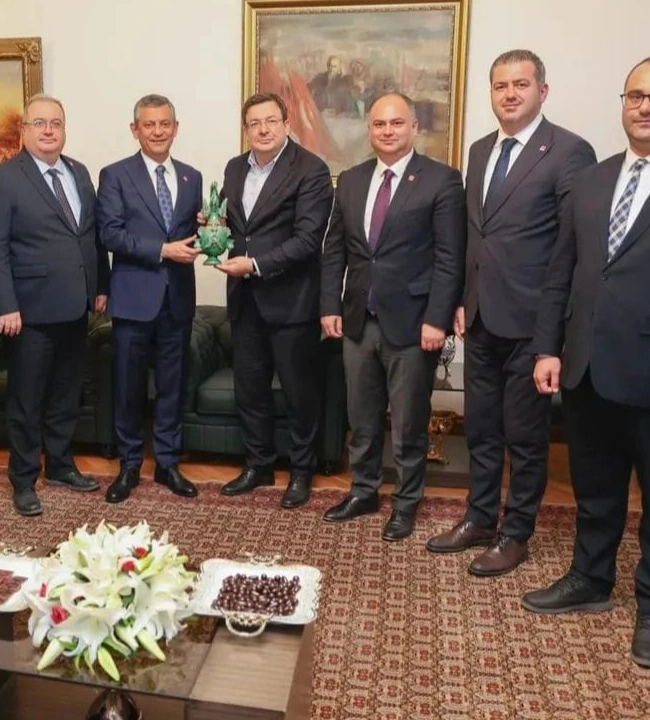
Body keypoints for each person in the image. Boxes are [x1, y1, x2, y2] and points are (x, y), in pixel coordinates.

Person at [525, 54, 650, 669]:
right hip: (587, 368)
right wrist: (548, 347)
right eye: (635, 95)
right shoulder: (593, 179)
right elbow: (562, 271)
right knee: (595, 489)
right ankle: (590, 577)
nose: (645, 106)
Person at [426, 50, 596, 575]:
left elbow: (572, 247)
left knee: (525, 438)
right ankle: (479, 518)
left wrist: (553, 337)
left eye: (521, 84)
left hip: (532, 324)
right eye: (500, 86)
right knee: (481, 430)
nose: (510, 94)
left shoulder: (569, 152)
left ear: (542, 90)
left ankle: (516, 532)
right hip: (480, 319)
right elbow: (473, 235)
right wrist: (461, 297)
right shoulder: (480, 150)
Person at [320, 93, 464, 540]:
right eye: (379, 124)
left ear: (414, 127)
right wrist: (329, 305)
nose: (387, 131)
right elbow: (335, 249)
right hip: (358, 321)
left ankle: (405, 503)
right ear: (370, 130)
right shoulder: (351, 180)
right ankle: (363, 491)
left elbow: (449, 257)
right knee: (361, 418)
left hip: (414, 324)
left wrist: (438, 319)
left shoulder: (441, 180)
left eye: (396, 123)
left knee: (407, 424)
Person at [0, 94, 110, 517]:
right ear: (24, 131)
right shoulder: (3, 179)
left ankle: (60, 465)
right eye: (39, 123)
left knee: (66, 393)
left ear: (64, 129)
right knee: (26, 399)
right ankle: (23, 479)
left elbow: (91, 236)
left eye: (56, 123)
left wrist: (100, 286)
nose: (48, 130)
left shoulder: (79, 172)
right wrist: (5, 305)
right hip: (29, 312)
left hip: (76, 307)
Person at [216, 92, 333, 509]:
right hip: (244, 301)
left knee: (300, 395)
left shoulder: (312, 170)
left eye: (270, 121)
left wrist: (254, 264)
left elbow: (307, 239)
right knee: (250, 391)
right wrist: (212, 224)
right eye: (254, 123)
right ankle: (258, 465)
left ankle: (301, 472)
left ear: (287, 123)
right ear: (246, 128)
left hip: (292, 302)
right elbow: (233, 224)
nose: (263, 129)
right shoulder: (234, 168)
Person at [96, 94, 202, 503]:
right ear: (135, 129)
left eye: (164, 124)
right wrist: (162, 249)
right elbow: (110, 233)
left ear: (176, 128)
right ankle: (128, 466)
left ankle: (168, 464)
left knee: (173, 387)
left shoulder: (192, 177)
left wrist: (211, 228)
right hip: (133, 300)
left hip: (178, 300)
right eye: (149, 124)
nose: (158, 131)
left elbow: (192, 231)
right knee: (129, 387)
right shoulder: (115, 175)